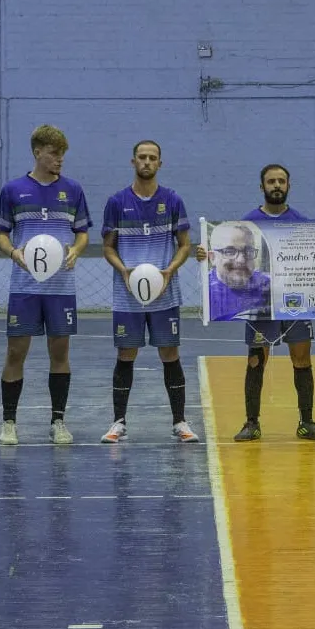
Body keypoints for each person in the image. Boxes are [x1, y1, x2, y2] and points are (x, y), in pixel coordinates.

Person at [196, 164, 315, 442]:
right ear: (262, 187)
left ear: (289, 185)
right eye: (271, 181)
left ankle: (307, 422)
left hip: (295, 301)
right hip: (261, 301)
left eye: (281, 181)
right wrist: (203, 254)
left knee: (302, 358)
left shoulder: (302, 223)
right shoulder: (247, 224)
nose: (276, 185)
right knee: (256, 358)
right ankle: (251, 423)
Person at [0, 125, 91, 446]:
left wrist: (76, 250)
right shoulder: (13, 190)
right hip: (25, 286)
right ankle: (9, 422)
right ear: (37, 152)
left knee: (60, 352)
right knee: (15, 352)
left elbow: (82, 233)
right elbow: (1, 234)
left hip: (61, 287)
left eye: (62, 154)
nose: (59, 159)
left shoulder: (73, 190)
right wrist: (13, 252)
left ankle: (58, 421)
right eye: (53, 153)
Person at [100, 140, 197, 443]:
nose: (146, 162)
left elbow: (185, 245)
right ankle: (118, 422)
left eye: (152, 158)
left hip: (164, 294)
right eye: (141, 157)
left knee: (170, 353)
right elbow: (108, 247)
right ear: (133, 162)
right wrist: (123, 270)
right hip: (127, 295)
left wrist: (170, 270)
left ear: (159, 164)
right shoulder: (117, 202)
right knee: (126, 353)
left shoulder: (172, 200)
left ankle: (180, 422)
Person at [206, 222, 270, 321]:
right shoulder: (205, 291)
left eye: (248, 251)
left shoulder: (268, 286)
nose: (241, 260)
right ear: (213, 258)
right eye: (230, 251)